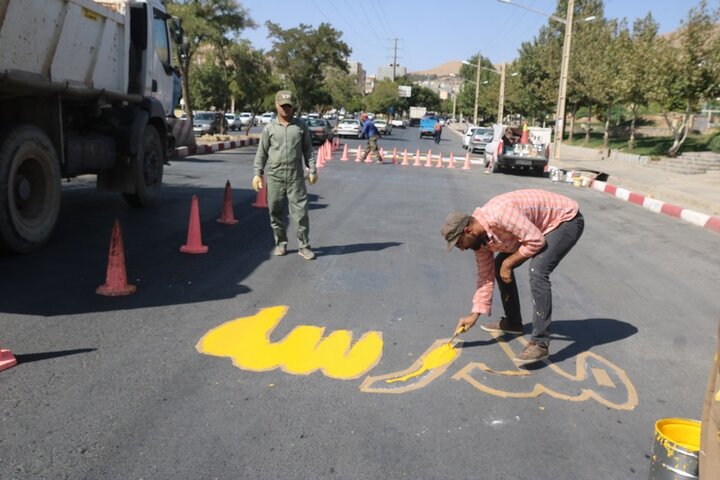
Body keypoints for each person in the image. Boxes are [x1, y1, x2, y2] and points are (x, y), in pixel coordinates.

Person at [441, 189, 585, 364]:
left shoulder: (500, 214)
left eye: (459, 244)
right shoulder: (480, 241)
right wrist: (474, 315)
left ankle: (540, 343)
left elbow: (536, 240)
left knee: (537, 270)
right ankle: (513, 322)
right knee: (498, 266)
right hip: (537, 228)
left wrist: (508, 264)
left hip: (565, 220)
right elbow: (485, 277)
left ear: (468, 230)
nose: (462, 249)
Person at [252, 90, 317, 260]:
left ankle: (304, 246)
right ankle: (281, 243)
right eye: (283, 106)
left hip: (295, 176)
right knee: (276, 212)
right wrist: (257, 174)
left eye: (288, 106)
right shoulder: (269, 129)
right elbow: (262, 153)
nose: (286, 109)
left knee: (301, 213)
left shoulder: (300, 127)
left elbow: (308, 150)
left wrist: (313, 170)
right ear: (276, 106)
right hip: (275, 176)